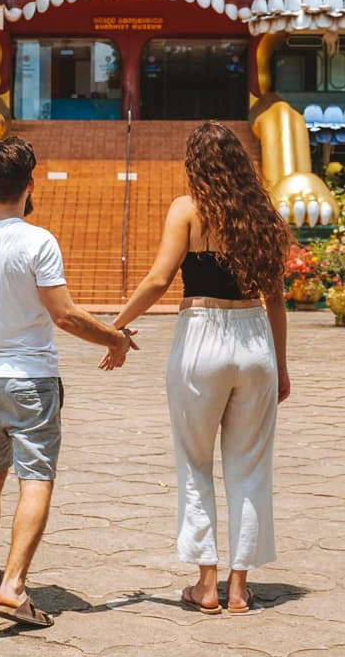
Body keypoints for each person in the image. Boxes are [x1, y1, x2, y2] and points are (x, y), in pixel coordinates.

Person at [0, 134, 134, 627]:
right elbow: (65, 316)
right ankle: (14, 584)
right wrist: (114, 338)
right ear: (30, 185)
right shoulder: (36, 240)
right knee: (36, 479)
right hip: (30, 379)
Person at [106, 121, 291, 614]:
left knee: (195, 464)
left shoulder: (188, 209)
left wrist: (114, 326)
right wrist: (283, 366)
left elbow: (159, 278)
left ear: (195, 164)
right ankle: (238, 588)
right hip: (255, 341)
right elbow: (276, 300)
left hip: (202, 335)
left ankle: (205, 583)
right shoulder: (264, 216)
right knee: (249, 468)